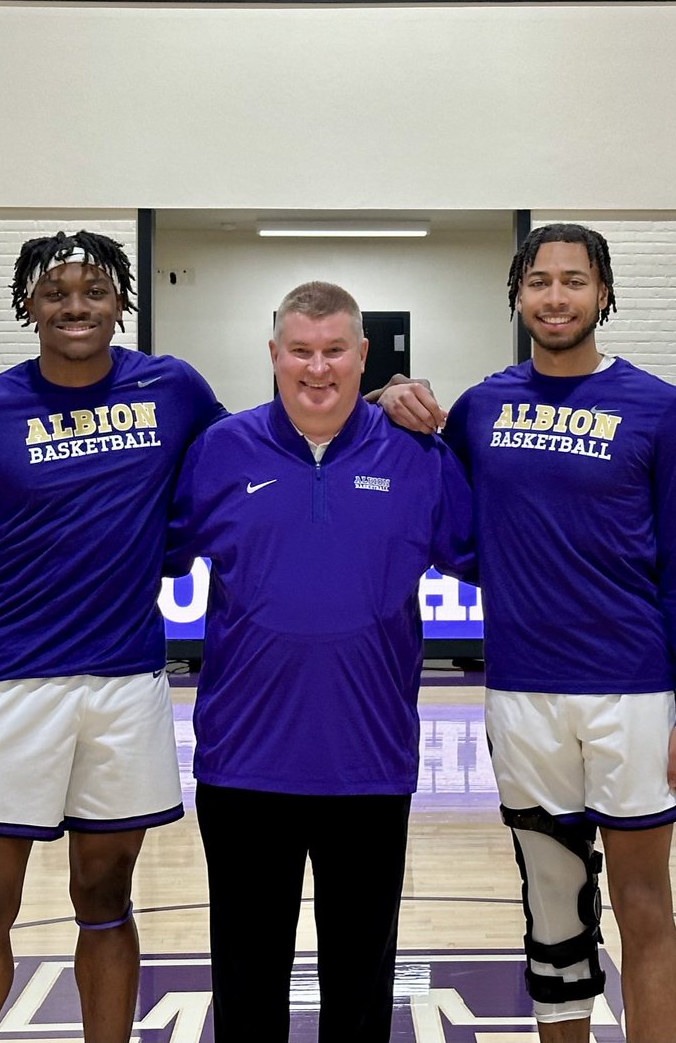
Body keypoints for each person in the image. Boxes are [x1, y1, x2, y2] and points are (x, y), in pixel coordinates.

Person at [380, 223, 676, 1043]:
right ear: (517, 294)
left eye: (573, 280)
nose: (555, 296)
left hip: (633, 692)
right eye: (538, 281)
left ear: (603, 293)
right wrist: (387, 404)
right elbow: (436, 511)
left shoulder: (661, 408)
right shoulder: (481, 408)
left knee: (642, 903)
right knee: (552, 906)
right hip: (522, 692)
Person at [0, 230, 227, 1043]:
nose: (75, 307)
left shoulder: (174, 389)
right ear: (29, 306)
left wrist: (373, 403)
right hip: (11, 686)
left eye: (93, 291)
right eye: (55, 293)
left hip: (125, 685)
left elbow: (247, 466)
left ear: (121, 303)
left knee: (107, 900)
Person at [164, 281, 476, 1042]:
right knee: (246, 991)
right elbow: (143, 546)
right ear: (273, 354)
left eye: (335, 350)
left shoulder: (418, 455)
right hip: (243, 765)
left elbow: (495, 555)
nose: (317, 368)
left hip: (370, 764)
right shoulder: (220, 450)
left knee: (361, 994)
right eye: (300, 350)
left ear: (363, 355)